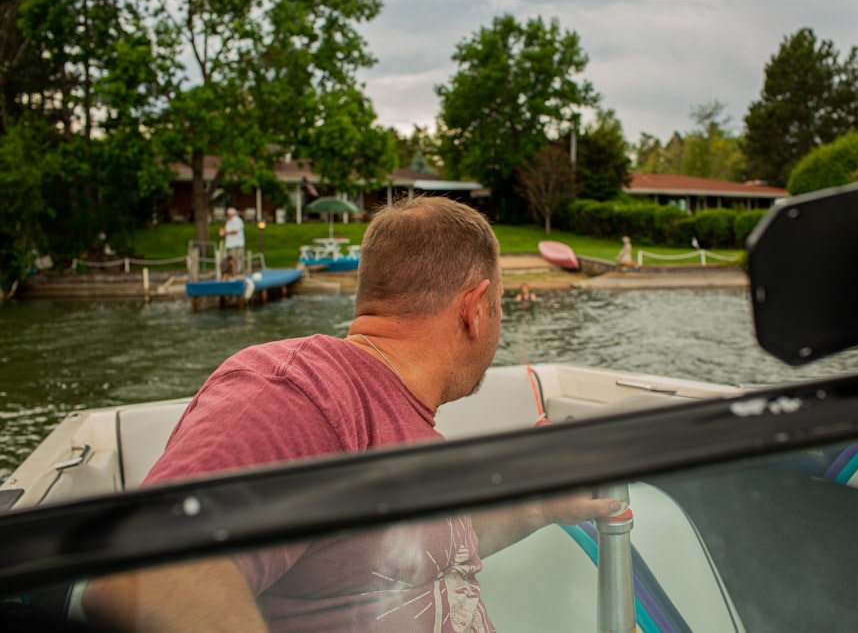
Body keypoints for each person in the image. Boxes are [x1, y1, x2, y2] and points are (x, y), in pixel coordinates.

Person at [82, 196, 618, 633]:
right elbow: (147, 576)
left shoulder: (398, 415)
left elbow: (398, 553)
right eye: (500, 306)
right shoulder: (303, 389)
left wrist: (538, 504)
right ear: (475, 309)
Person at [220, 207, 245, 274]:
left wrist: (225, 232)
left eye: (228, 214)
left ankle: (239, 271)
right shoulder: (229, 221)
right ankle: (234, 271)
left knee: (238, 258)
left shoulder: (237, 220)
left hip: (238, 243)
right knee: (233, 258)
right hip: (231, 244)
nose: (227, 215)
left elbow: (235, 231)